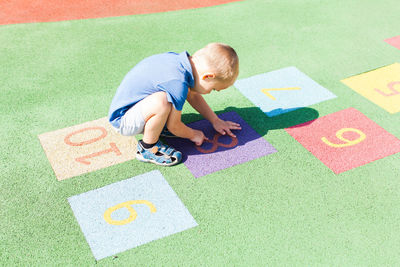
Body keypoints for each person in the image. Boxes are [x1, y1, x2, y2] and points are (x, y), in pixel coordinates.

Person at [108, 43, 241, 166]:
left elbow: (193, 95)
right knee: (162, 102)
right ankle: (148, 148)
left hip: (135, 109)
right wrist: (193, 134)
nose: (211, 92)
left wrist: (215, 120)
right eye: (213, 89)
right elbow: (174, 126)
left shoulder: (181, 63)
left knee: (166, 99)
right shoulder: (178, 83)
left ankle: (158, 126)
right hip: (123, 121)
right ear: (207, 77)